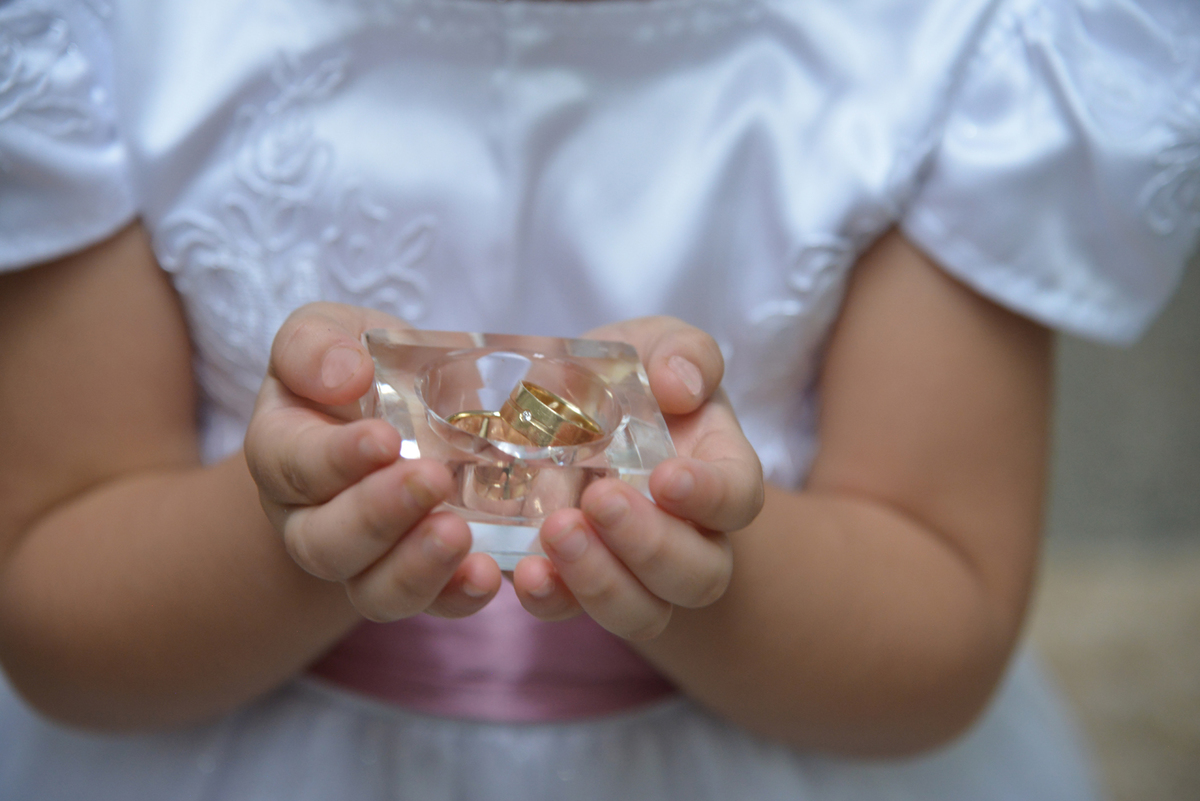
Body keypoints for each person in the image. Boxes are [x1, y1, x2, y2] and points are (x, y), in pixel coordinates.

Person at [0, 0, 1195, 798]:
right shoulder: (101, 33)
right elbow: (52, 602)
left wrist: (686, 540)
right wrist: (305, 522)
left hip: (790, 716)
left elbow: (941, 619)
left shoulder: (961, 40)